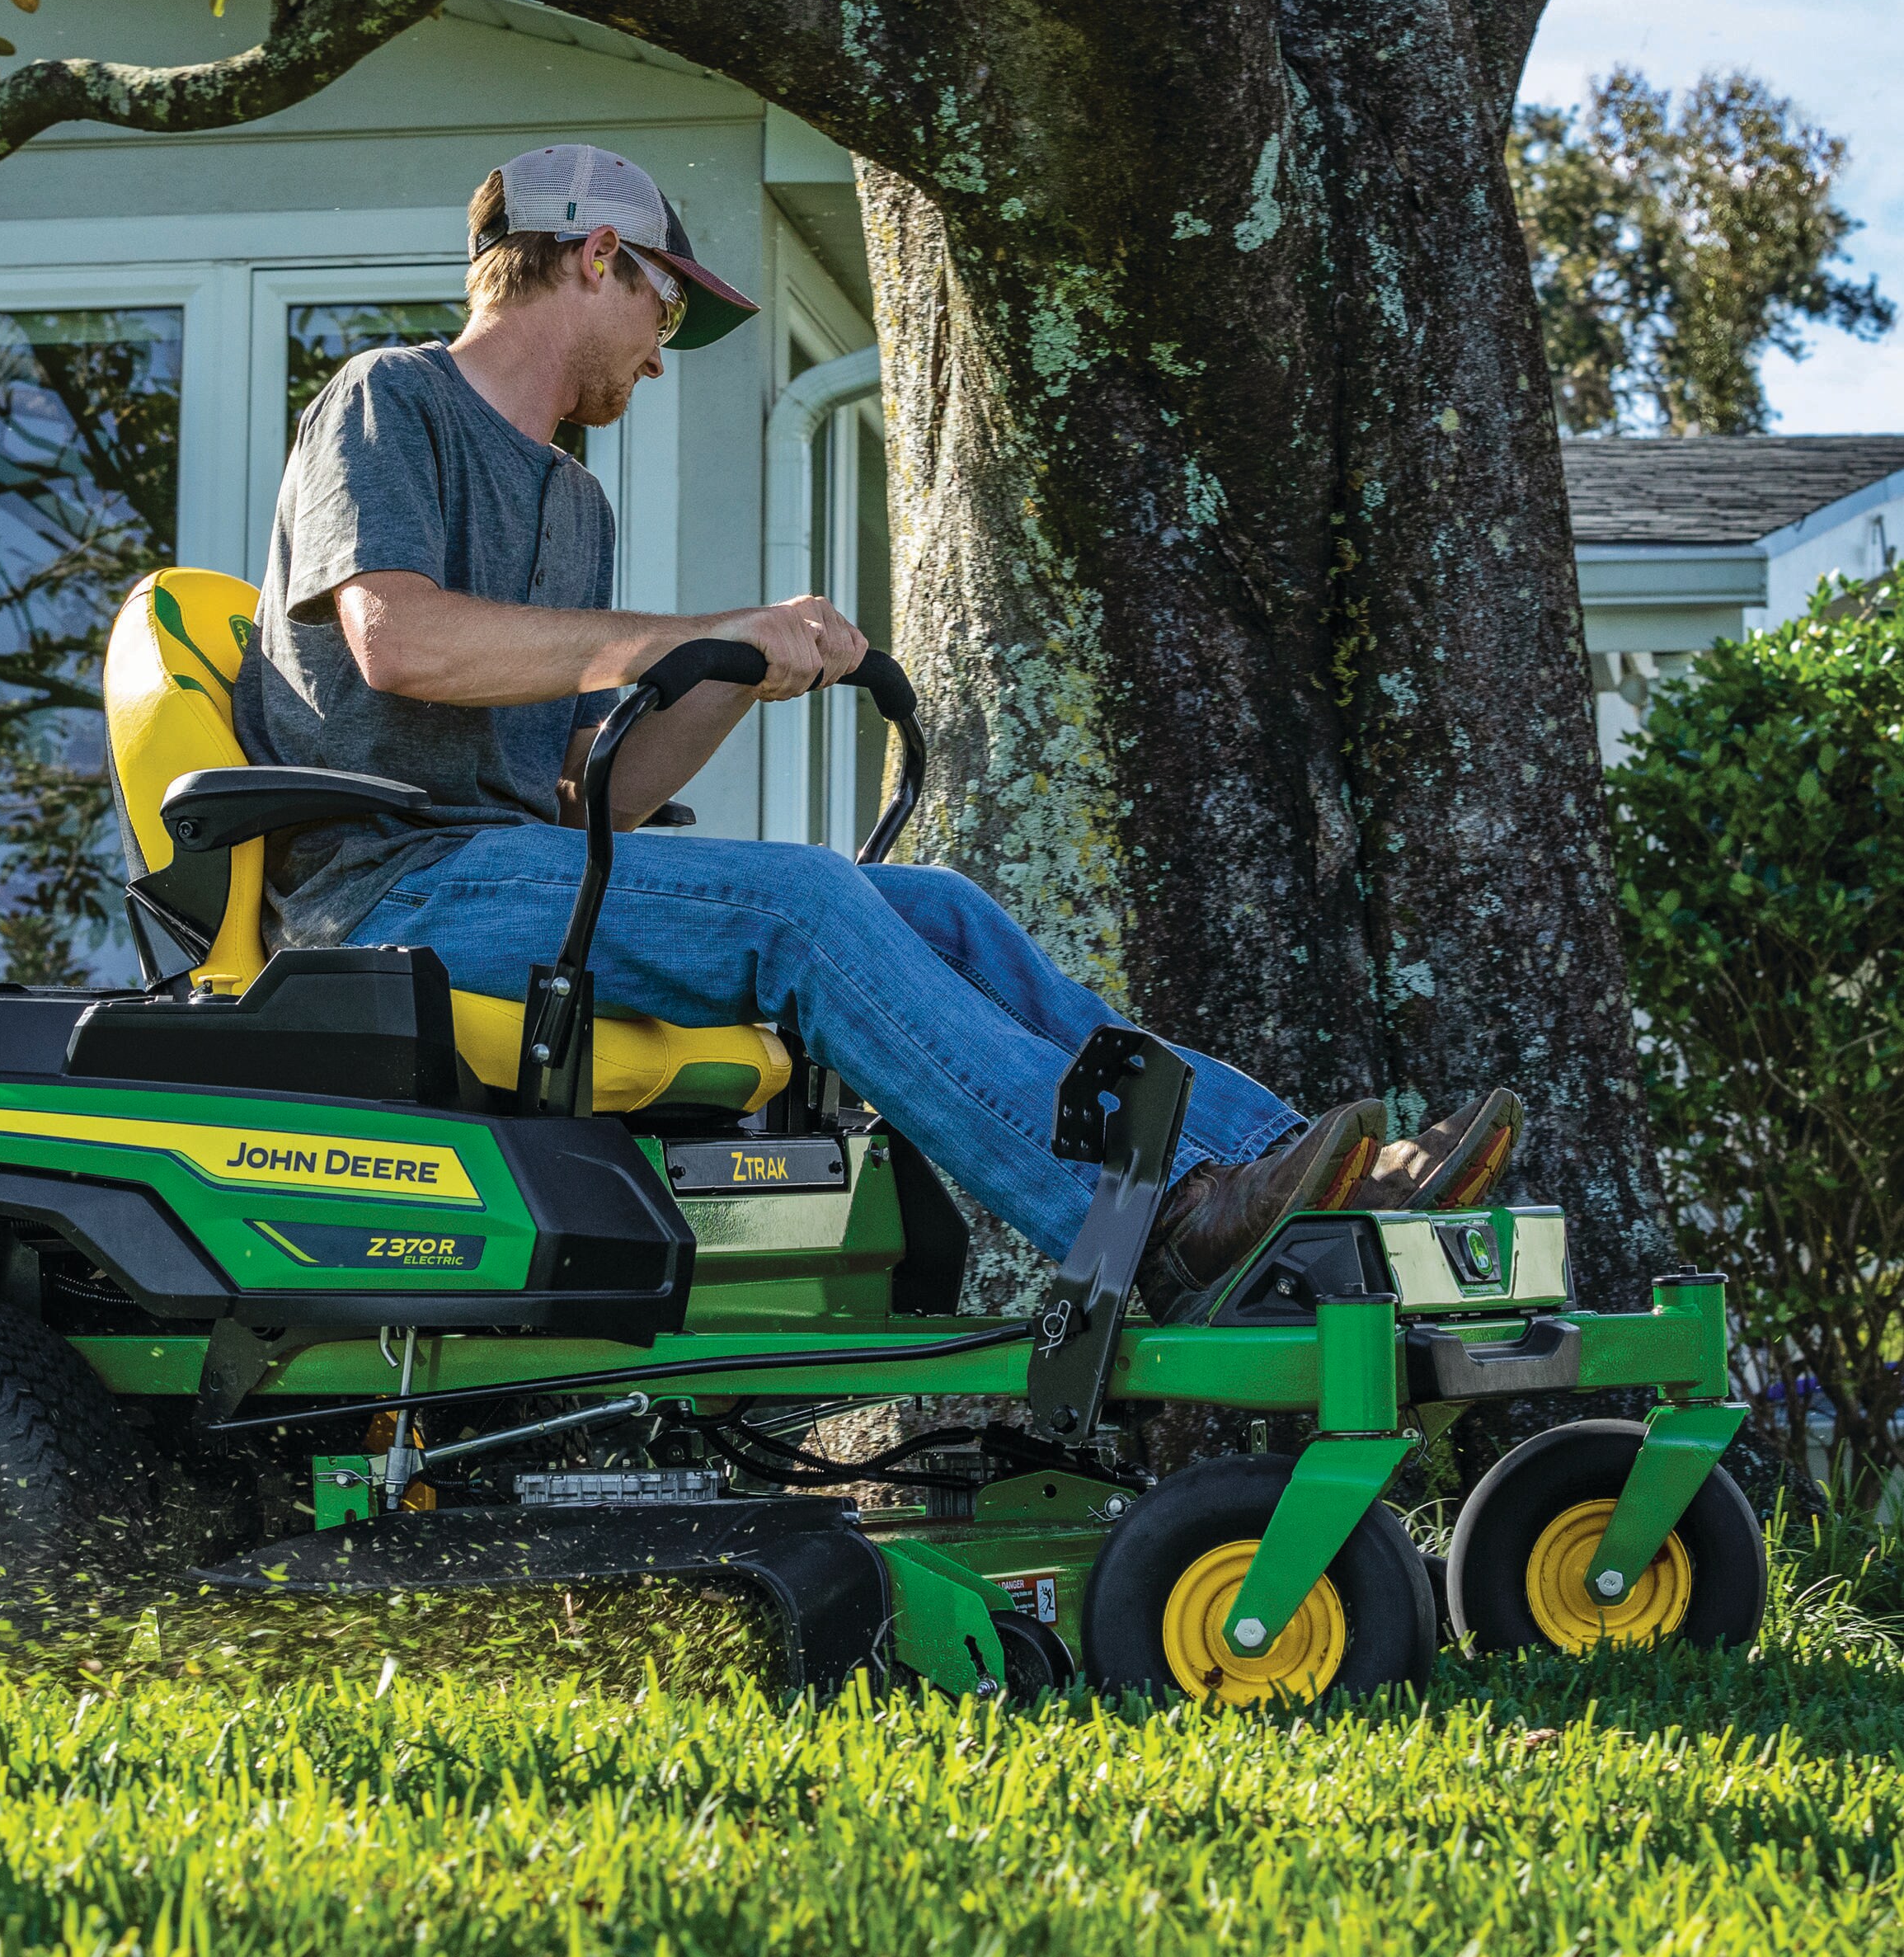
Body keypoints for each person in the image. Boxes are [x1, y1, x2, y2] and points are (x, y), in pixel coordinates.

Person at [237, 143, 1521, 1315]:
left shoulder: (576, 504)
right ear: (595, 258)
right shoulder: (386, 400)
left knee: (942, 909)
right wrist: (687, 630)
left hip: (525, 875)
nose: (661, 345)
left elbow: (600, 793)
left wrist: (733, 669)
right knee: (802, 905)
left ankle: (1286, 1175)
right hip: (392, 892)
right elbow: (397, 641)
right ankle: (1147, 1228)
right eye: (664, 308)